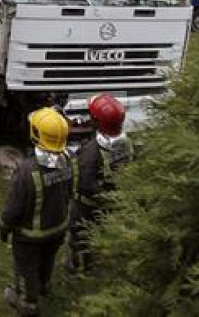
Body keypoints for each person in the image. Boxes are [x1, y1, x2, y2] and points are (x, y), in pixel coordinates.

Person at [0, 108, 72, 316]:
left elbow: (13, 209)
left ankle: (27, 301)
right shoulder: (69, 160)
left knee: (25, 268)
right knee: (47, 259)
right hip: (58, 229)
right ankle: (44, 284)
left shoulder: (26, 172)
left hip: (30, 237)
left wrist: (4, 227)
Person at [67, 94, 134, 272]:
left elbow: (85, 184)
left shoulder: (90, 153)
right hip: (108, 201)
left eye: (92, 117)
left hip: (86, 205)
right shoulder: (125, 144)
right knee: (97, 231)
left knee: (79, 234)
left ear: (98, 123)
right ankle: (93, 259)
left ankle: (79, 266)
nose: (90, 118)